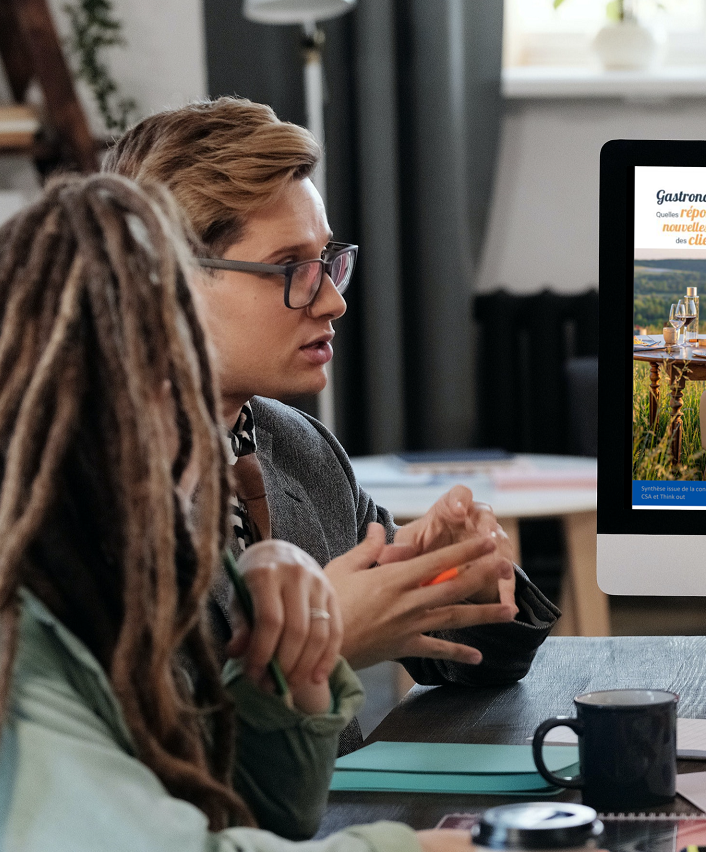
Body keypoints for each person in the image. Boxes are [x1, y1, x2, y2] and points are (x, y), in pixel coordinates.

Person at [0, 175, 472, 851]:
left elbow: (251, 815)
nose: (201, 420)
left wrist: (286, 674)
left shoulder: (126, 546)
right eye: (172, 383)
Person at [104, 99, 558, 754]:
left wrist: (461, 580)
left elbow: (464, 666)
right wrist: (324, 642)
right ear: (166, 278)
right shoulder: (87, 494)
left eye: (328, 261)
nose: (332, 299)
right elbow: (134, 773)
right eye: (291, 268)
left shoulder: (297, 447)